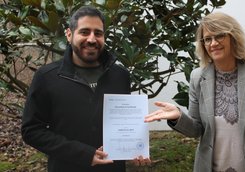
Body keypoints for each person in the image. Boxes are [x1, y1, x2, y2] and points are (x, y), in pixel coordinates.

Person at [145, 12, 245, 172]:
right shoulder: (197, 77)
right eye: (207, 39)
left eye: (219, 36)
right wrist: (178, 116)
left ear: (233, 38)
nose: (213, 43)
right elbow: (196, 129)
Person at [21, 6, 150, 172]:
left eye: (98, 33)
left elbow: (123, 121)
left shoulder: (120, 75)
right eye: (84, 32)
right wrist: (84, 154)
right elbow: (31, 130)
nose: (91, 39)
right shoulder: (47, 77)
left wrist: (134, 148)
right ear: (69, 34)